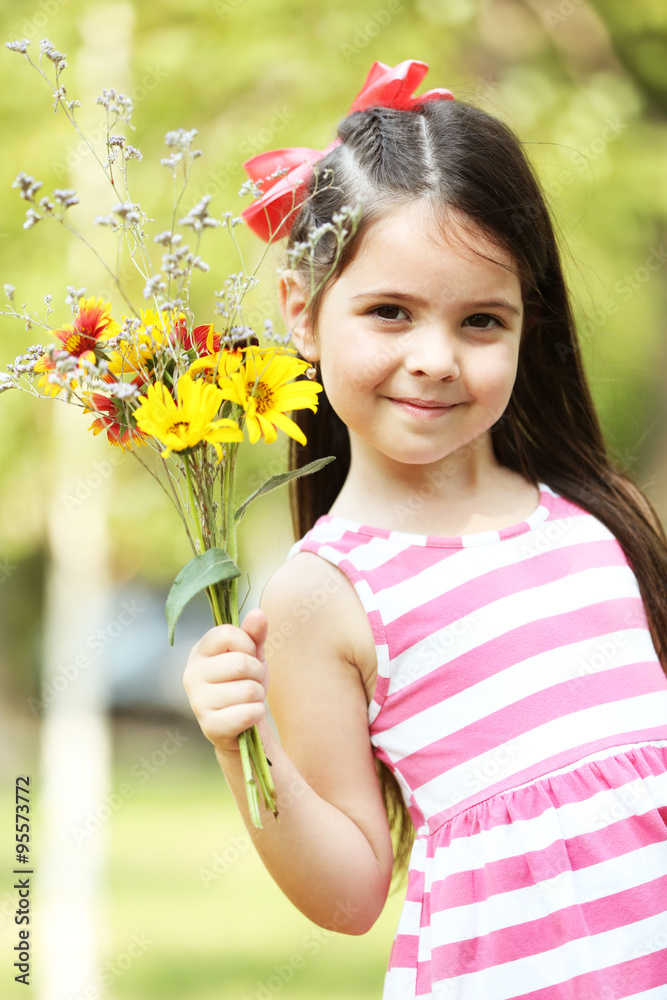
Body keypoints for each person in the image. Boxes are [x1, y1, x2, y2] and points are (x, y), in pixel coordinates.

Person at [183, 60, 667, 999]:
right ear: (302, 314)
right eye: (389, 313)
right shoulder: (327, 590)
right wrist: (240, 746)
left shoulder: (590, 520)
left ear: (530, 327)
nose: (435, 359)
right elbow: (351, 891)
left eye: (481, 320)